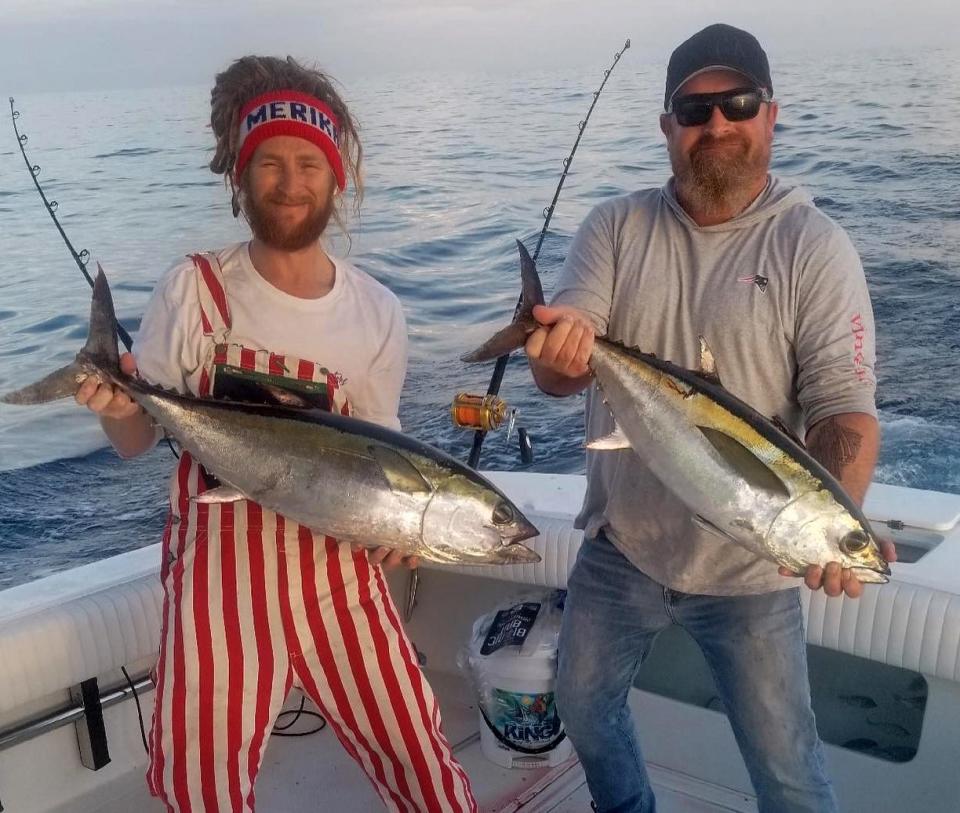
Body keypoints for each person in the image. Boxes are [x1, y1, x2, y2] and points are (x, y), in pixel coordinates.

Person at [75, 55, 477, 813]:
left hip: (341, 575)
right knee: (202, 788)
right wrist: (113, 396)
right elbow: (134, 442)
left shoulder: (378, 311)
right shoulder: (196, 287)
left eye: (307, 164)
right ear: (239, 175)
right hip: (218, 581)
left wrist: (402, 531)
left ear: (338, 178)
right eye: (268, 163)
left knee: (423, 758)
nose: (289, 183)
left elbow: (380, 460)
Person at [524, 23, 897, 813]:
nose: (717, 124)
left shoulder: (815, 247)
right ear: (668, 127)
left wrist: (840, 517)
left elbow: (844, 414)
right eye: (695, 110)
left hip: (752, 572)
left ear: (771, 114)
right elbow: (559, 370)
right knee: (584, 709)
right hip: (622, 546)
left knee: (789, 772)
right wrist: (555, 351)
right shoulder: (615, 227)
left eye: (738, 103)